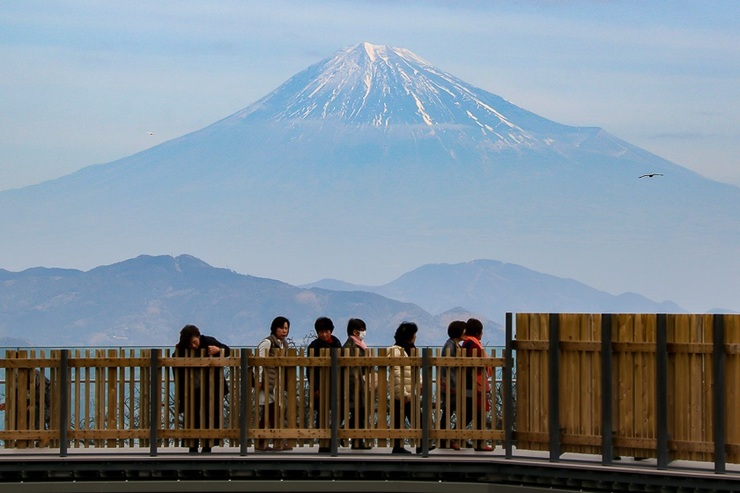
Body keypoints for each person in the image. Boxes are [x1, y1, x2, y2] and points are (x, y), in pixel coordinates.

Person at [174, 324, 230, 454]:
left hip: (210, 388)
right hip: (192, 389)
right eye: (191, 344)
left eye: (195, 342)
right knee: (192, 416)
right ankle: (192, 446)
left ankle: (207, 446)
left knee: (209, 416)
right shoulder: (182, 349)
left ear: (198, 336)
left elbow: (227, 350)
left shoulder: (208, 341)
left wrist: (218, 350)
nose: (194, 346)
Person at [387, 321, 435, 454]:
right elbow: (396, 373)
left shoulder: (411, 350)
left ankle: (418, 445)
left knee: (414, 418)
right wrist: (403, 393)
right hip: (401, 392)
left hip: (409, 391)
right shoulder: (395, 351)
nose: (415, 337)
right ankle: (402, 446)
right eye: (414, 334)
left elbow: (415, 370)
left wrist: (419, 383)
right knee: (401, 420)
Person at [306, 316, 342, 453]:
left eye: (326, 331)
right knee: (321, 414)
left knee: (337, 412)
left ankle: (333, 440)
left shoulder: (337, 343)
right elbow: (310, 370)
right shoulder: (313, 347)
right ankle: (323, 443)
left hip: (335, 384)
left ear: (331, 331)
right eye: (321, 332)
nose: (324, 334)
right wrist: (315, 388)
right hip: (320, 386)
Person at [256, 316, 291, 451]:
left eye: (286, 328)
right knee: (268, 412)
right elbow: (259, 363)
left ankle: (277, 441)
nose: (284, 331)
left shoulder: (284, 344)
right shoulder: (267, 343)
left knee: (276, 413)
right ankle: (261, 442)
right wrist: (259, 380)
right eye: (281, 328)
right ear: (274, 328)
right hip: (268, 384)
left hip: (278, 384)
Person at [461, 318, 493, 452]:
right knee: (477, 411)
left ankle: (455, 436)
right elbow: (477, 366)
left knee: (471, 411)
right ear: (479, 332)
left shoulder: (465, 343)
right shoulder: (474, 345)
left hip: (468, 383)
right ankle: (479, 442)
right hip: (475, 383)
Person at [342, 318, 372, 450]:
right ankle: (350, 436)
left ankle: (357, 440)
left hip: (360, 383)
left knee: (361, 412)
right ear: (355, 332)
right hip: (354, 385)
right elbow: (351, 370)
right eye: (362, 330)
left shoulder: (360, 345)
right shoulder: (350, 346)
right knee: (358, 411)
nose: (364, 332)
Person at [439, 320, 466, 450]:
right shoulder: (450, 347)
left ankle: (450, 438)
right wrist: (454, 385)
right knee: (450, 411)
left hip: (451, 384)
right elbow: (449, 369)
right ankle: (448, 438)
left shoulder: (453, 345)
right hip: (451, 385)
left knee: (449, 411)